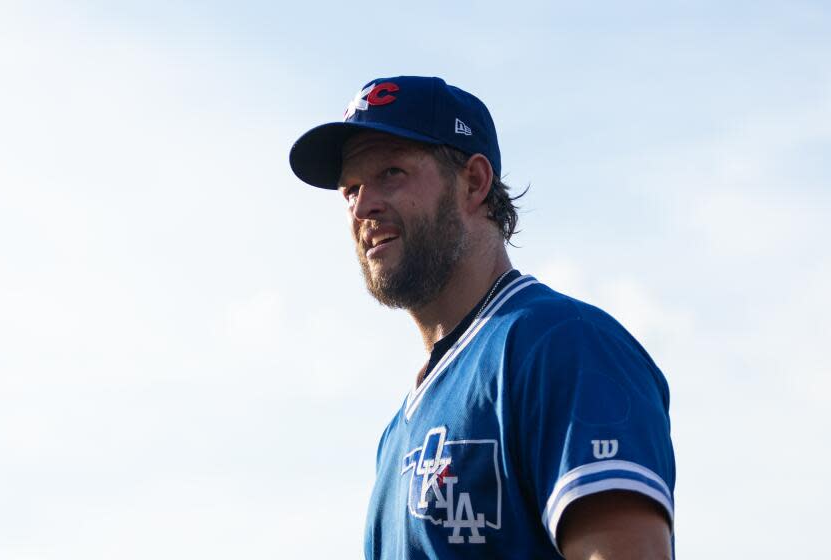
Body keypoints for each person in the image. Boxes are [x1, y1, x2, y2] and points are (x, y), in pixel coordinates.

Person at [289, 76, 676, 559]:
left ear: (473, 182)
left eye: (391, 172)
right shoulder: (396, 435)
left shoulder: (562, 345)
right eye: (350, 188)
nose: (364, 205)